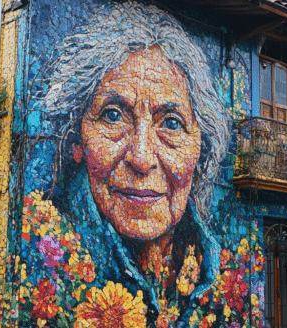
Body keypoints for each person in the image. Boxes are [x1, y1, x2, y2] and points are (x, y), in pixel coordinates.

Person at [25, 1, 233, 327]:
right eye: (112, 115)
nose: (141, 158)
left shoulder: (213, 265)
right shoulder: (39, 252)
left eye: (172, 123)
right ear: (77, 141)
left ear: (201, 152)